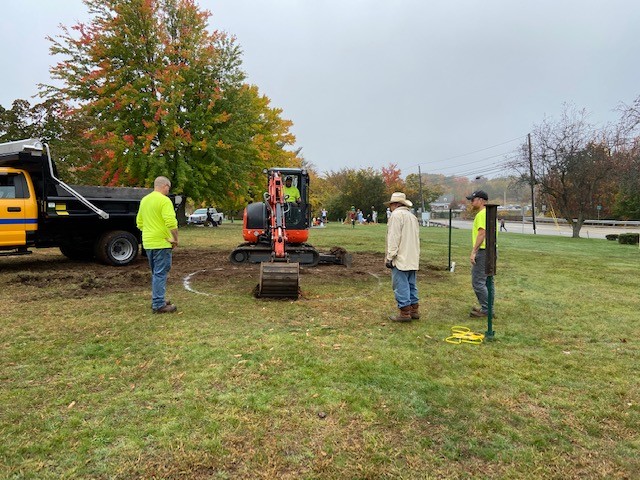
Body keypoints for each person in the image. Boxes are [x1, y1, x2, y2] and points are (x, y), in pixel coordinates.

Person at [136, 176, 179, 314]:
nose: (168, 190)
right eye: (168, 188)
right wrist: (175, 239)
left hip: (148, 243)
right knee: (160, 273)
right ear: (165, 186)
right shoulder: (164, 201)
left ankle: (158, 298)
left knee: (156, 273)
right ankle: (159, 304)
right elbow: (171, 222)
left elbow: (140, 223)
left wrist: (150, 233)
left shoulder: (145, 200)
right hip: (162, 242)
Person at [385, 192, 420, 322]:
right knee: (411, 284)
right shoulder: (412, 216)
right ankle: (414, 309)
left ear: (395, 204)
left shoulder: (396, 216)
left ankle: (405, 313)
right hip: (412, 256)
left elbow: (394, 238)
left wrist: (390, 256)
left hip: (400, 257)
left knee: (400, 285)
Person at [467, 190, 493, 318]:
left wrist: (474, 251)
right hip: (491, 250)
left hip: (483, 251)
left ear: (481, 200)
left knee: (478, 282)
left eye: (473, 199)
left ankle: (487, 309)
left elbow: (482, 233)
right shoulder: (488, 213)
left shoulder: (482, 214)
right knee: (488, 281)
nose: (471, 202)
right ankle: (487, 307)